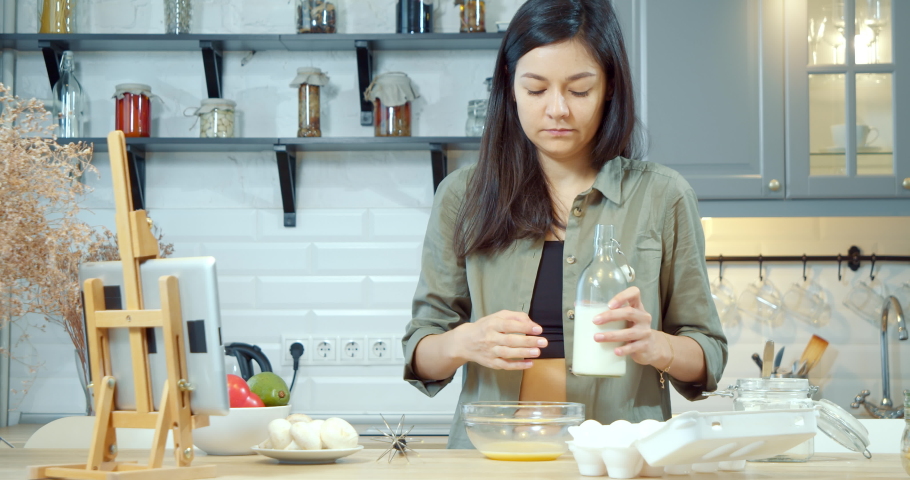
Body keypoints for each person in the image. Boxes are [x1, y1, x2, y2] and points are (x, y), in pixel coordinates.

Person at [402, 0, 727, 449]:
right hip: (491, 457)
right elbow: (421, 350)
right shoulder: (462, 196)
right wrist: (464, 343)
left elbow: (708, 353)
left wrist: (656, 346)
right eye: (536, 90)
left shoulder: (663, 196)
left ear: (609, 87)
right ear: (509, 89)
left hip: (621, 458)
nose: (557, 109)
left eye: (578, 90)